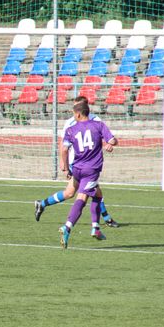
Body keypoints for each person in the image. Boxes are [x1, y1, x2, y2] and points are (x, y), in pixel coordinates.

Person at [34, 95, 120, 227]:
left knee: (71, 193)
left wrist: (109, 144)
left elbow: (103, 138)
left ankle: (42, 204)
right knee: (92, 191)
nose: (74, 110)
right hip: (79, 163)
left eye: (76, 107)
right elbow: (63, 143)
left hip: (89, 162)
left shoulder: (96, 120)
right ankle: (102, 221)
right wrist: (64, 163)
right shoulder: (70, 122)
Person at [59, 99, 118, 248]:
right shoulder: (98, 126)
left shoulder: (71, 129)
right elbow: (113, 140)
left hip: (77, 169)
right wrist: (110, 144)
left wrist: (66, 168)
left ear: (78, 114)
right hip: (91, 171)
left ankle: (96, 228)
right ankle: (67, 227)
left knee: (98, 195)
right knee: (82, 198)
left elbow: (64, 149)